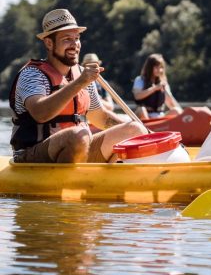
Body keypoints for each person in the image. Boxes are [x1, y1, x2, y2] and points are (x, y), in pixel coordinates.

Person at [9, 9, 145, 163]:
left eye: (77, 38)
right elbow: (40, 113)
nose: (75, 45)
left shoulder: (81, 73)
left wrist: (144, 133)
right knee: (78, 135)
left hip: (80, 147)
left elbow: (100, 117)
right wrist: (80, 82)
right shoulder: (32, 74)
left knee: (135, 129)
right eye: (67, 39)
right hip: (34, 153)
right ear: (49, 43)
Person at [132, 53, 182, 119]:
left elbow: (171, 102)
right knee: (142, 110)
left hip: (159, 116)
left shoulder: (163, 83)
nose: (160, 70)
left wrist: (183, 113)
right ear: (150, 68)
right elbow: (137, 96)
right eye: (156, 67)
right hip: (145, 116)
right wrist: (155, 88)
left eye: (161, 67)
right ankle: (146, 128)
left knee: (177, 110)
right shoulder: (140, 80)